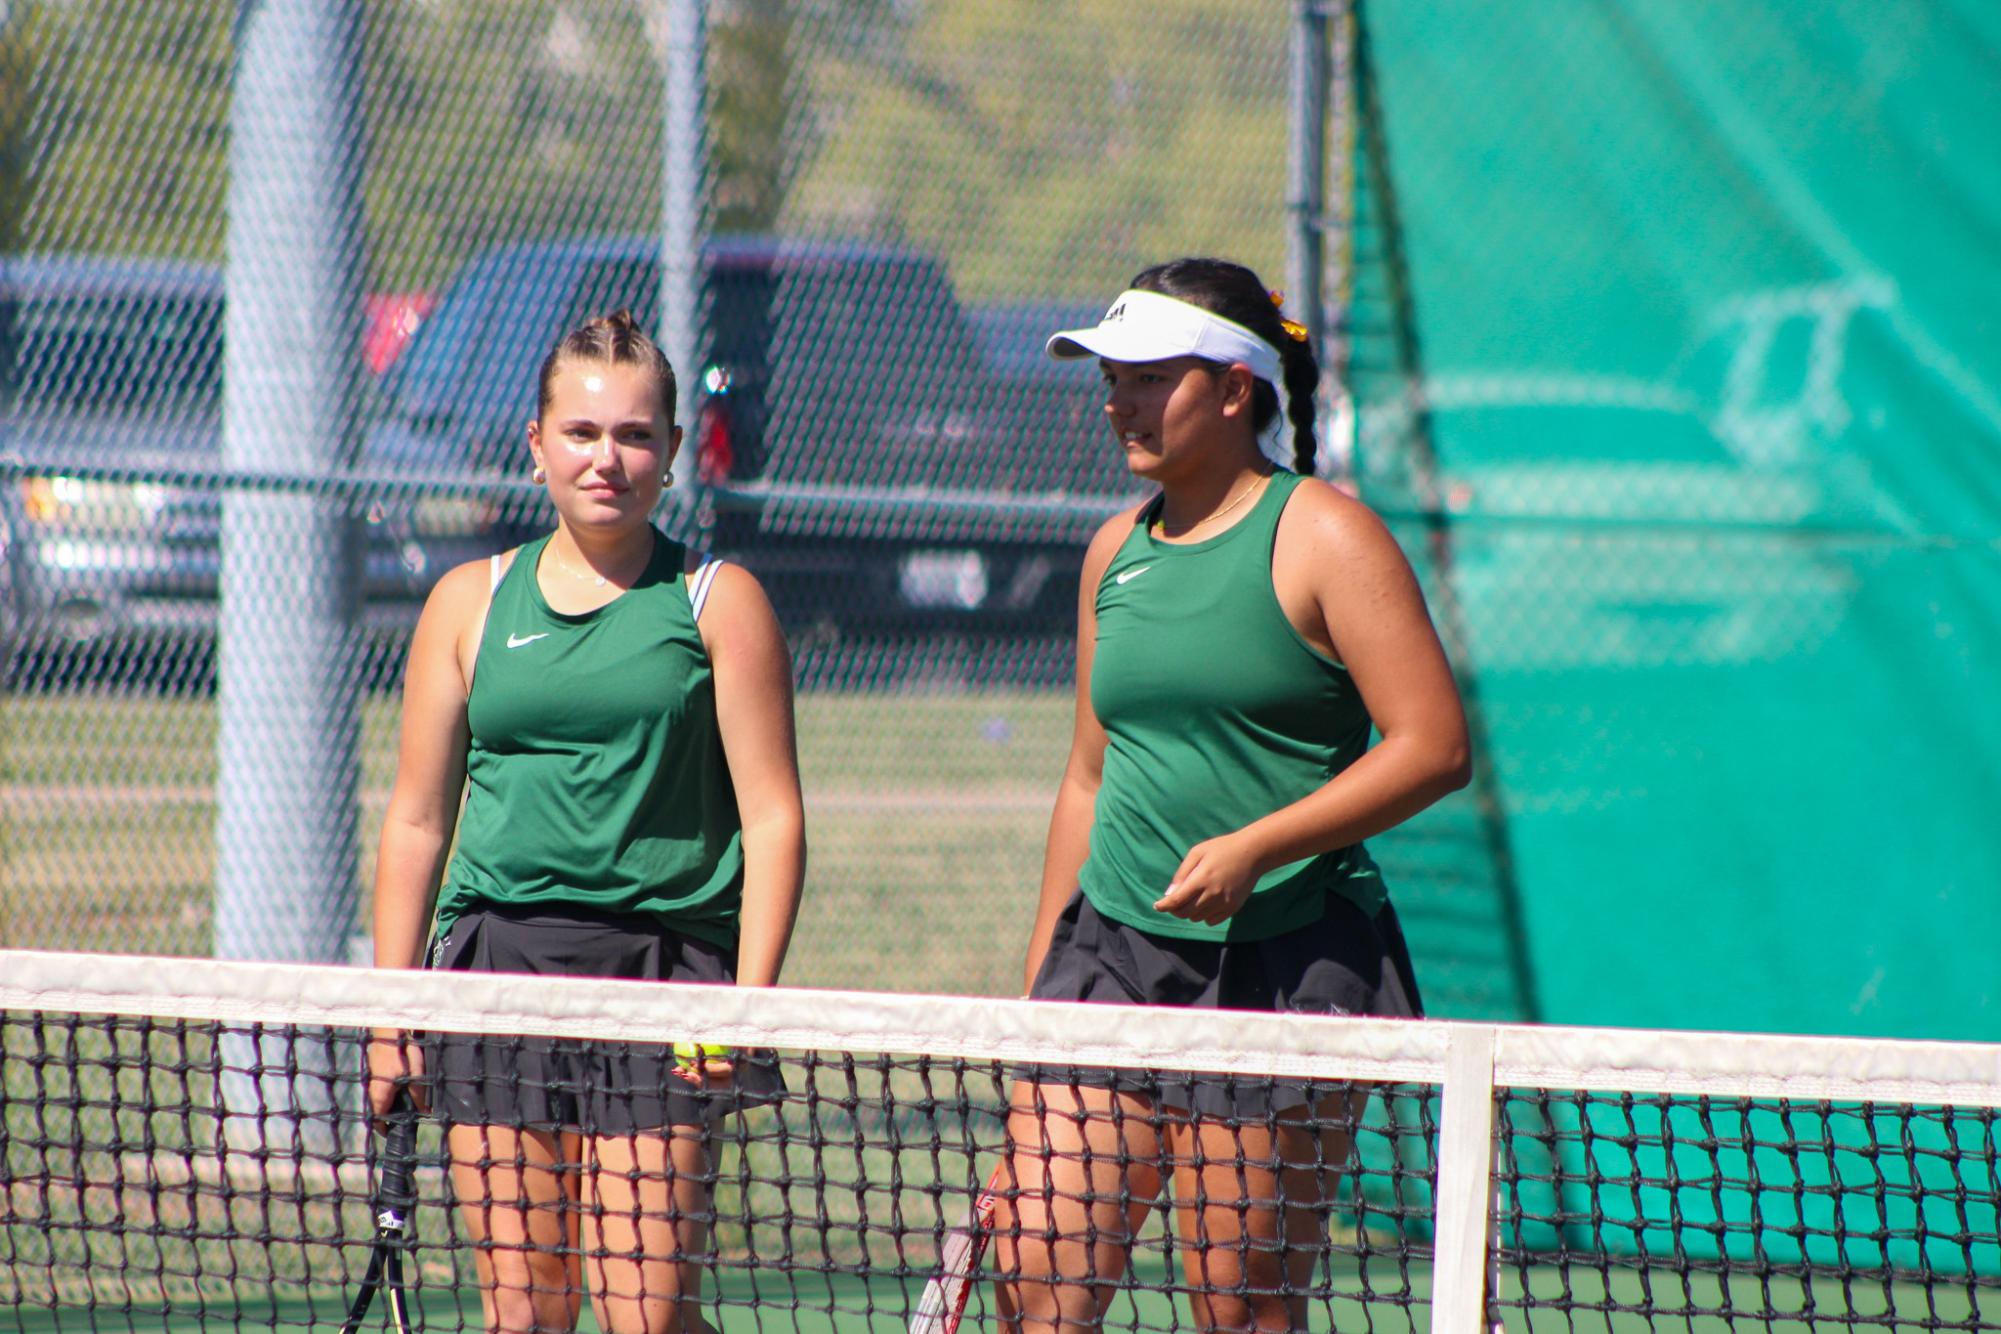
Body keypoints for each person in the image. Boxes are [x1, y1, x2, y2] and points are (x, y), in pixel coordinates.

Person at [994, 258, 1471, 1334]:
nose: (1118, 399)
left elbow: (1434, 745)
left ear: (1234, 387)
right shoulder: (1113, 549)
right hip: (1112, 951)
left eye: (1148, 375)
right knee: (1035, 1294)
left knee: (1240, 1304)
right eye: (1109, 377)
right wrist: (1041, 990)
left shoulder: (1326, 535)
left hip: (1288, 955)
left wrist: (1256, 844)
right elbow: (1088, 772)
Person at [365, 310, 807, 1334]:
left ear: (673, 452)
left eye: (636, 434)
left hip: (666, 982)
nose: (607, 458)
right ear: (536, 444)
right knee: (525, 1312)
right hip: (493, 977)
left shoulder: (718, 601)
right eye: (582, 431)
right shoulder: (468, 601)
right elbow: (417, 819)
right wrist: (388, 1016)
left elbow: (775, 818)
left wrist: (743, 1008)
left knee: (645, 1312)